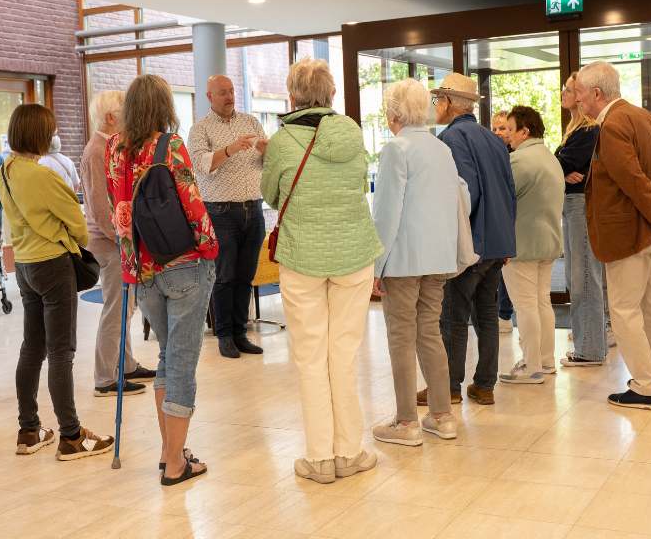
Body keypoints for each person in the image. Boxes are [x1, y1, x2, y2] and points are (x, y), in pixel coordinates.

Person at [262, 58, 382, 484]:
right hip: (354, 254)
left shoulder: (281, 141)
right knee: (343, 355)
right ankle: (349, 451)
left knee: (311, 357)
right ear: (331, 94)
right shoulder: (353, 133)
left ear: (292, 96)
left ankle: (320, 458)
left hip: (303, 257)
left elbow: (272, 195)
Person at [109, 74, 219, 487]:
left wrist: (130, 264)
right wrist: (211, 246)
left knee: (167, 358)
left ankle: (168, 449)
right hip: (183, 264)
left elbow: (118, 210)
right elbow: (191, 201)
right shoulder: (169, 145)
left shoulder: (115, 150)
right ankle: (175, 464)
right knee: (183, 364)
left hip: (142, 268)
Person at [0, 103, 114, 461]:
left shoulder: (5, 170)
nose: (52, 135)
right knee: (61, 353)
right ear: (38, 133)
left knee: (31, 348)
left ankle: (29, 429)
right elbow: (78, 226)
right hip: (53, 264)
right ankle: (71, 435)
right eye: (49, 129)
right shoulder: (44, 176)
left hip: (27, 266)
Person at [575, 61, 651, 412]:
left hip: (630, 234)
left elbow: (631, 179)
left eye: (578, 92)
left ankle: (645, 386)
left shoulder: (613, 125)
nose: (575, 100)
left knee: (624, 310)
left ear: (595, 93)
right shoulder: (646, 118)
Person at [370, 78, 460, 446]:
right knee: (430, 333)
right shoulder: (442, 149)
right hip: (438, 257)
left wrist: (377, 266)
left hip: (404, 261)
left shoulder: (397, 149)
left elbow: (386, 213)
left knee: (401, 338)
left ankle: (406, 420)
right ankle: (442, 415)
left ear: (393, 112)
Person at [423, 72, 516, 407]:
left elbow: (465, 193)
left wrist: (453, 241)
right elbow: (509, 191)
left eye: (438, 100)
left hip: (470, 243)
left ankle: (448, 386)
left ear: (448, 103)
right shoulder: (493, 139)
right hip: (496, 241)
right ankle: (484, 386)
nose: (435, 106)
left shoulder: (451, 139)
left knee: (453, 316)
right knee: (487, 314)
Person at [187, 74, 269, 358]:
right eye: (222, 92)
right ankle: (223, 335)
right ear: (209, 97)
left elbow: (266, 162)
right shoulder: (201, 129)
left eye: (232, 91)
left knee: (246, 275)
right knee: (224, 276)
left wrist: (266, 150)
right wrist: (230, 149)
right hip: (221, 212)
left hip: (253, 209)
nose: (229, 96)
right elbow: (201, 165)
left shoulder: (251, 122)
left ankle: (240, 331)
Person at [82, 90, 154, 398]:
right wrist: (125, 241)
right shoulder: (98, 151)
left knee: (125, 307)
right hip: (108, 242)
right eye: (125, 111)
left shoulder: (109, 147)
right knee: (116, 308)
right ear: (111, 117)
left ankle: (124, 365)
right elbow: (100, 211)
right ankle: (104, 377)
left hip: (116, 240)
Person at [498, 106, 565, 384]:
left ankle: (532, 366)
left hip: (522, 244)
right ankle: (545, 361)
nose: (507, 137)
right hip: (548, 241)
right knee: (541, 302)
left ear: (525, 131)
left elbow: (502, 198)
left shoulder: (520, 161)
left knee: (525, 306)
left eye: (511, 130)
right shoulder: (550, 158)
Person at [554, 73, 607, 367]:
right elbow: (559, 164)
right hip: (571, 203)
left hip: (581, 204)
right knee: (578, 276)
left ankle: (589, 349)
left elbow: (562, 162)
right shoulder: (574, 129)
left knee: (585, 277)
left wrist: (561, 167)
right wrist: (562, 169)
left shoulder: (589, 130)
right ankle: (589, 344)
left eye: (570, 89)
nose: (564, 93)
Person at [490, 110, 516, 335]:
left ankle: (505, 314)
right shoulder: (492, 153)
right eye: (495, 128)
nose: (498, 132)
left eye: (503, 128)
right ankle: (502, 313)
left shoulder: (515, 156)